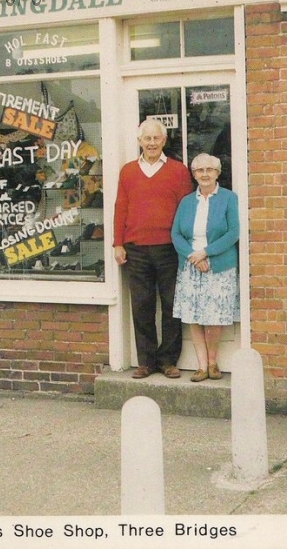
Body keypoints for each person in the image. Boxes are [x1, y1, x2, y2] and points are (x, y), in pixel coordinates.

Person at [114, 119, 194, 379]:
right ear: (140, 141)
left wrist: (187, 245)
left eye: (155, 138)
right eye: (146, 138)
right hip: (136, 249)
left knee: (172, 305)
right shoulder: (127, 171)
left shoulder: (179, 171)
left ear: (164, 141)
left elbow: (187, 211)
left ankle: (168, 361)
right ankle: (146, 361)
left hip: (170, 249)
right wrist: (118, 243)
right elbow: (120, 208)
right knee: (142, 306)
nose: (151, 143)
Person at [171, 152, 240, 382]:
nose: (205, 174)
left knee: (214, 317)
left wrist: (206, 253)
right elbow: (176, 234)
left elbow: (233, 233)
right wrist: (194, 255)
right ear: (194, 174)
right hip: (191, 266)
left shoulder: (229, 198)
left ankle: (213, 361)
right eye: (200, 170)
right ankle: (201, 365)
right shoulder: (187, 201)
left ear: (218, 173)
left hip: (219, 266)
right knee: (193, 316)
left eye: (209, 170)